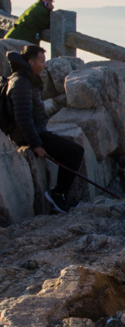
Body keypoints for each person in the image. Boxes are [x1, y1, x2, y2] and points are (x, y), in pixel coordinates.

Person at [4, 44, 86, 213]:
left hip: (37, 133)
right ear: (31, 62)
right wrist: (35, 144)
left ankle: (60, 196)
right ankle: (57, 195)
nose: (45, 65)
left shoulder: (25, 79)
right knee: (75, 152)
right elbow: (23, 117)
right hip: (28, 136)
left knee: (71, 150)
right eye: (42, 61)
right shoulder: (21, 82)